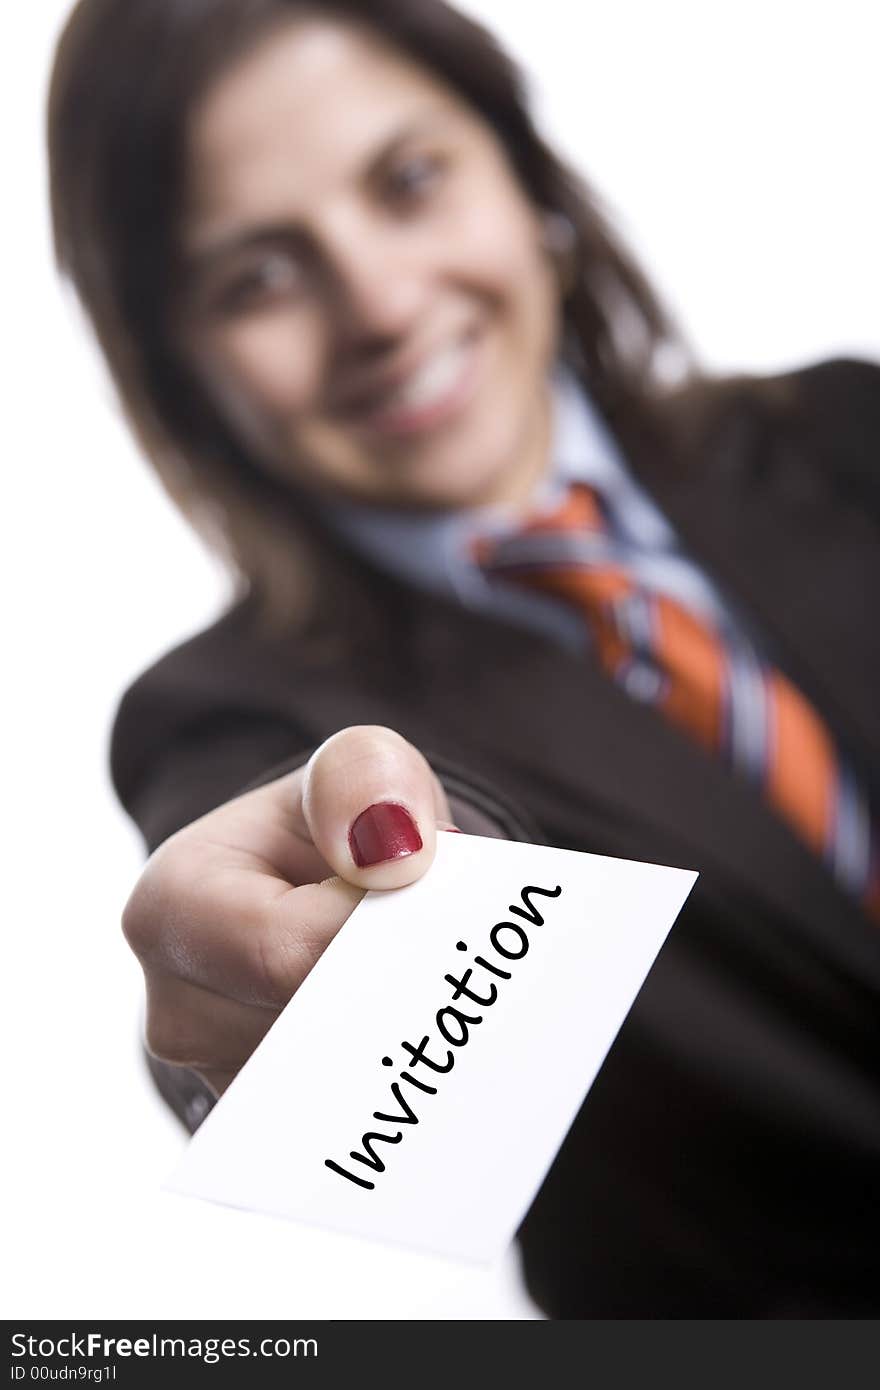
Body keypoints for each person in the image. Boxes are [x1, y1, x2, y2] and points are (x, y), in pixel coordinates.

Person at [48, 0, 880, 1317]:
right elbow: (325, 877)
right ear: (184, 368)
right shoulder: (224, 712)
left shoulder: (850, 429)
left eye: (411, 181)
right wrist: (349, 929)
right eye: (257, 276)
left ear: (523, 171)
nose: (378, 304)